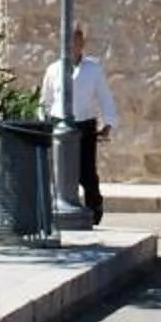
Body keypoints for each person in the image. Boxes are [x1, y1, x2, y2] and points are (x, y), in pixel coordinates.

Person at [40, 25, 119, 228]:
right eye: (67, 42)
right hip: (60, 123)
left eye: (75, 41)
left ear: (82, 44)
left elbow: (104, 96)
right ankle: (62, 209)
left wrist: (108, 122)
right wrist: (44, 122)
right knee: (61, 170)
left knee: (87, 171)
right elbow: (46, 100)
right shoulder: (54, 69)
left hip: (84, 124)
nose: (71, 46)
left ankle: (94, 207)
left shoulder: (93, 69)